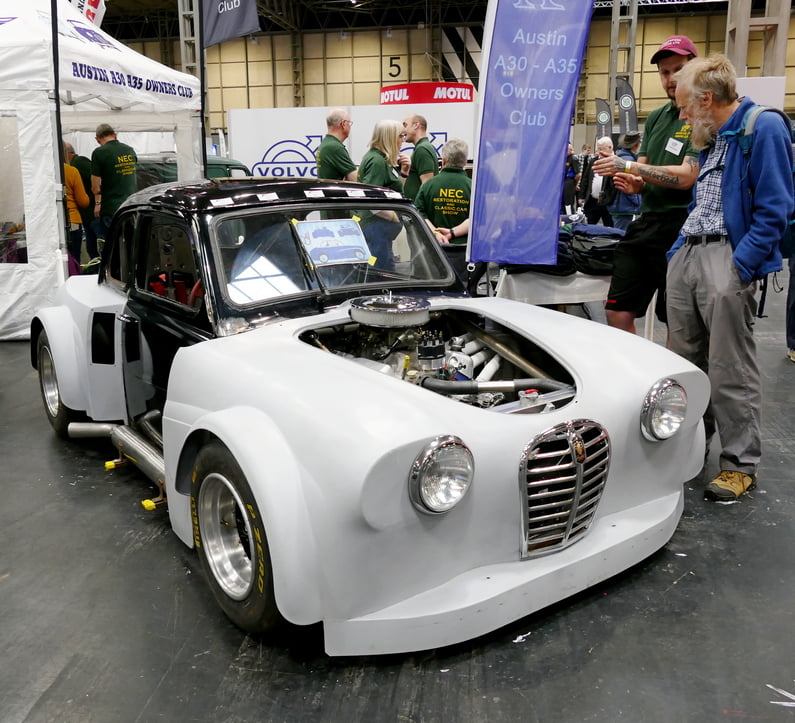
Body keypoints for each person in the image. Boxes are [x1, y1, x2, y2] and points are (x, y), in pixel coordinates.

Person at [666, 54, 794, 501]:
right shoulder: (712, 137)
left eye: (684, 106)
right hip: (688, 253)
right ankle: (691, 451)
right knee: (684, 367)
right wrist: (677, 253)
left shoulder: (764, 126)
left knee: (729, 367)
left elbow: (776, 207)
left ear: (706, 99)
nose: (680, 115)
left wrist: (742, 264)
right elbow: (701, 199)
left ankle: (740, 463)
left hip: (727, 256)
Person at [593, 35, 700, 334]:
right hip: (648, 222)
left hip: (683, 227)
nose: (671, 79)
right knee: (617, 311)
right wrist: (633, 182)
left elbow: (686, 176)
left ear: (695, 68)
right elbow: (643, 171)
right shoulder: (655, 118)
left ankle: (671, 380)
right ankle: (637, 375)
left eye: (678, 69)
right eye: (665, 72)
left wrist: (626, 165)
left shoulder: (701, 116)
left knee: (677, 322)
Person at [414, 138, 472, 281]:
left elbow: (418, 212)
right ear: (465, 162)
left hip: (434, 253)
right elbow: (478, 219)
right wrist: (452, 233)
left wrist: (435, 232)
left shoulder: (429, 185)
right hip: (463, 256)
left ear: (443, 160)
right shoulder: (473, 187)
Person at [357, 119, 405, 267]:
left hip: (379, 230)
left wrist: (404, 174)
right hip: (376, 229)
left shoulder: (381, 160)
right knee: (383, 274)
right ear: (390, 137)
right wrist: (393, 217)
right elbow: (370, 200)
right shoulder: (377, 162)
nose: (403, 140)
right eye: (400, 136)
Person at [91, 123, 137, 247]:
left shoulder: (99, 153)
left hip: (111, 208)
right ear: (114, 135)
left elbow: (95, 187)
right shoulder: (129, 150)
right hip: (131, 206)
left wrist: (97, 203)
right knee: (130, 245)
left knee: (113, 247)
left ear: (98, 139)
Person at [64, 142, 99, 260]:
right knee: (77, 256)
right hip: (76, 219)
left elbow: (97, 177)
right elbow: (83, 201)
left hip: (89, 215)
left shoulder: (78, 162)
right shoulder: (71, 170)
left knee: (92, 249)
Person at [605, 132, 641, 230]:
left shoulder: (618, 158)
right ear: (636, 145)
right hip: (624, 205)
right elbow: (629, 185)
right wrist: (638, 203)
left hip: (616, 203)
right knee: (621, 234)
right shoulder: (629, 162)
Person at [63, 145, 90, 274]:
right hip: (72, 221)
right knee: (74, 260)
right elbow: (83, 201)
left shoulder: (41, 173)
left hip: (50, 225)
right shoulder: (71, 171)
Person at [401, 114, 439, 202]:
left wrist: (419, 210)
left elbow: (427, 184)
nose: (402, 130)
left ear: (416, 125)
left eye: (405, 125)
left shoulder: (422, 149)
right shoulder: (422, 147)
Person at [577, 136, 614, 226]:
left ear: (610, 148)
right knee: (589, 227)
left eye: (602, 149)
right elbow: (585, 179)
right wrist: (581, 196)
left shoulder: (615, 162)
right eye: (598, 149)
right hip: (592, 201)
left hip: (608, 203)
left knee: (610, 229)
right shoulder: (593, 161)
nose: (599, 152)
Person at [316, 108, 357, 181]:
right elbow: (355, 179)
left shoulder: (327, 144)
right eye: (349, 123)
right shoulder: (334, 147)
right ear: (343, 124)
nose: (350, 126)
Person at [561, 142, 580, 214]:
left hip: (570, 182)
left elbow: (578, 174)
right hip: (563, 182)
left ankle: (570, 218)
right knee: (562, 202)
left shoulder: (573, 158)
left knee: (568, 204)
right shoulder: (564, 158)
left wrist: (574, 184)